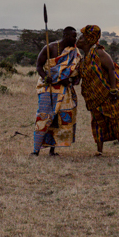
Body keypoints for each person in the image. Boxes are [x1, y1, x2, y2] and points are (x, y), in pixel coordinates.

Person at [76, 25, 119, 157]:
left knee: (116, 119)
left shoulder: (99, 53)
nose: (78, 40)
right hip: (95, 96)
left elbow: (111, 69)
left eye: (81, 37)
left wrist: (113, 90)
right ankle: (99, 150)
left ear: (88, 39)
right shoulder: (84, 57)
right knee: (97, 121)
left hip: (109, 92)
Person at [32, 26, 81, 156]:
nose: (75, 39)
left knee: (58, 119)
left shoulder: (74, 52)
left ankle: (52, 149)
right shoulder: (50, 48)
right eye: (73, 36)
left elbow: (76, 72)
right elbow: (39, 66)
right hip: (47, 87)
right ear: (65, 35)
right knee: (43, 116)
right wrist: (45, 76)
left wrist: (68, 80)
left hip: (64, 89)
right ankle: (35, 150)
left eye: (75, 36)